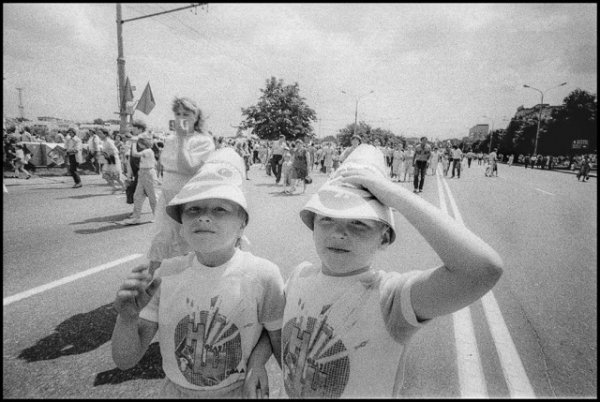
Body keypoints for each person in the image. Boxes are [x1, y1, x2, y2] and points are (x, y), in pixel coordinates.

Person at [244, 144, 503, 398]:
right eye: (327, 219)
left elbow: (482, 269)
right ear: (313, 225)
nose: (339, 233)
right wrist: (258, 361)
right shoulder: (300, 276)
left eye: (358, 223)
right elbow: (276, 325)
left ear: (384, 237)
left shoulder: (390, 298)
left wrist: (394, 196)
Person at [111, 147, 285, 398]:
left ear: (242, 224)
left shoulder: (263, 275)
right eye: (193, 209)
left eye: (219, 210)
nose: (203, 217)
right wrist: (126, 319)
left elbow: (275, 335)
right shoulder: (165, 274)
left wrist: (256, 363)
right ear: (181, 225)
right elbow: (125, 360)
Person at [145, 97, 215, 275]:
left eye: (187, 114)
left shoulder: (203, 140)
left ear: (196, 116)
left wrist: (183, 140)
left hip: (188, 197)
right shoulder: (170, 139)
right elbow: (164, 163)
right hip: (167, 194)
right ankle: (152, 283)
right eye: (178, 114)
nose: (182, 117)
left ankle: (185, 280)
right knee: (161, 236)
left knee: (184, 240)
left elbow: (189, 167)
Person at [119, 136, 158, 225]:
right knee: (137, 195)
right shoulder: (147, 151)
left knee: (152, 197)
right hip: (143, 173)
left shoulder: (147, 151)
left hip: (148, 173)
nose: (138, 145)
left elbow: (135, 154)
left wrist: (132, 144)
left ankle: (157, 216)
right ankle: (136, 217)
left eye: (139, 143)